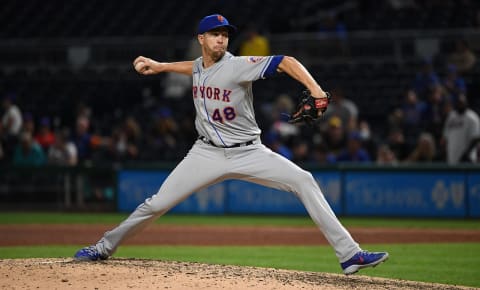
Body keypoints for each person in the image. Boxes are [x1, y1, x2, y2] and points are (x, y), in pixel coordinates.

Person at [74, 14, 388, 275]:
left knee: (304, 181)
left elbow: (286, 61)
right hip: (205, 153)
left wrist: (317, 90)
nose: (221, 39)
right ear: (201, 39)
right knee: (156, 204)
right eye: (214, 34)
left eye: (224, 34)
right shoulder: (200, 65)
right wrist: (160, 66)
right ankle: (103, 247)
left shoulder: (238, 65)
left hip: (250, 152)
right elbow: (195, 68)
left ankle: (349, 255)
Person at [442, 93, 480, 164]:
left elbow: (476, 138)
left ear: (466, 103)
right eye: (459, 102)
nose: (460, 104)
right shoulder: (451, 116)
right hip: (452, 157)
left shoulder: (472, 117)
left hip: (468, 158)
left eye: (462, 102)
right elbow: (446, 136)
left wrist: (467, 154)